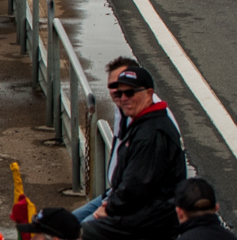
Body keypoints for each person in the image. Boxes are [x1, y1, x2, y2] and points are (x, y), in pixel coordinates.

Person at [81, 65, 188, 240]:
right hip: (140, 214)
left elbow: (136, 186)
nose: (124, 99)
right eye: (119, 93)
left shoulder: (152, 133)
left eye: (130, 93)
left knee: (70, 239)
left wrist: (108, 208)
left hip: (147, 220)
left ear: (149, 94)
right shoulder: (142, 122)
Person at [74, 57, 182, 223]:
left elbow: (140, 186)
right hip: (116, 194)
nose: (121, 94)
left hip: (141, 210)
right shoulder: (125, 110)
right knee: (60, 225)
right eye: (115, 87)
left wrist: (109, 208)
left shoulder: (154, 128)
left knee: (81, 233)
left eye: (127, 89)